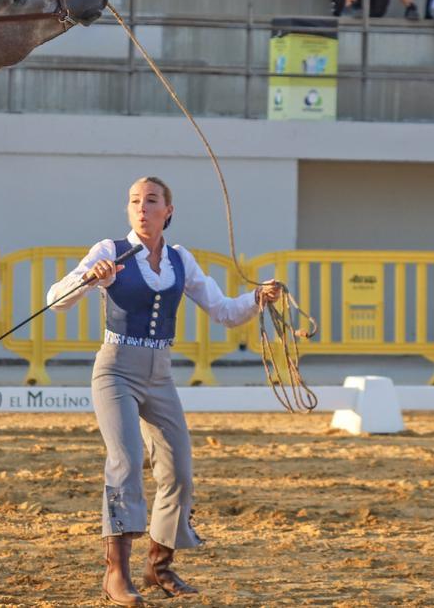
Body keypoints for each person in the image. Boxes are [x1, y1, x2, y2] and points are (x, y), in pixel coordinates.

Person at [46, 177, 281, 606]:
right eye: (134, 201)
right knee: (126, 461)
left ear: (168, 210)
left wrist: (258, 298)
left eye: (151, 201)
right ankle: (116, 574)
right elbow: (55, 299)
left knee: (178, 471)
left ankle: (159, 565)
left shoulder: (179, 259)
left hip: (160, 373)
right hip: (115, 368)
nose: (141, 208)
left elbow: (224, 313)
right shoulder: (109, 250)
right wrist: (90, 279)